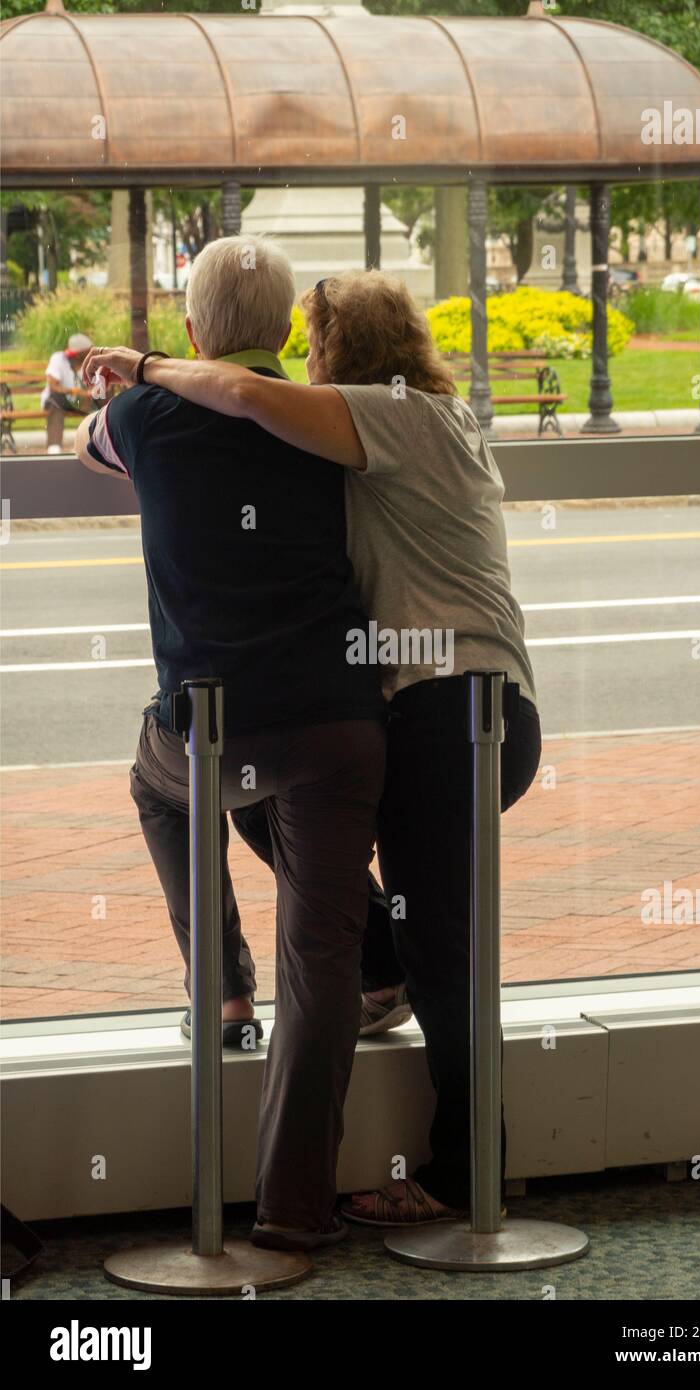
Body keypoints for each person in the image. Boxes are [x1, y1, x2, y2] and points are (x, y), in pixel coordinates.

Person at [82, 268, 542, 1228]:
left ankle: (466, 1181)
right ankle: (371, 1020)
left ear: (338, 355)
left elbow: (245, 394)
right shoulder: (412, 423)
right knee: (355, 900)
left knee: (443, 949)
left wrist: (140, 368)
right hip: (445, 710)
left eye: (318, 348)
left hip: (449, 707)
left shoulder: (381, 415)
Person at [74, 239, 387, 1251]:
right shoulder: (326, 418)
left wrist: (118, 377)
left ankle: (219, 988)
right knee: (323, 956)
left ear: (195, 331)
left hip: (215, 729)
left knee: (159, 781)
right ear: (289, 330)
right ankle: (294, 1212)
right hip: (341, 722)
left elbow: (84, 445)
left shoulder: (142, 416)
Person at [42, 332, 94, 453]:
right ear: (79, 354)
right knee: (55, 398)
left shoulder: (93, 361)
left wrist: (92, 392)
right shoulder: (58, 359)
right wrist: (76, 391)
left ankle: (93, 443)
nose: (91, 353)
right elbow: (52, 386)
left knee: (102, 396)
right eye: (88, 351)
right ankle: (54, 447)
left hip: (84, 402)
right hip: (61, 402)